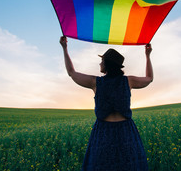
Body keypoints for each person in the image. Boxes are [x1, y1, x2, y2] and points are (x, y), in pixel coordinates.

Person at [59, 36, 153, 171]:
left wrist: (65, 48)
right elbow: (149, 79)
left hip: (103, 131)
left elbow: (71, 73)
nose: (100, 64)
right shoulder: (128, 81)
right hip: (126, 130)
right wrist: (148, 56)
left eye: (101, 61)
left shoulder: (95, 82)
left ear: (107, 64)